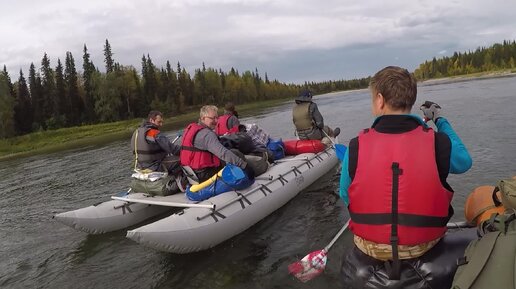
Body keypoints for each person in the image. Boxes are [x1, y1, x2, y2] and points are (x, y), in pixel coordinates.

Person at [339, 66, 473, 288]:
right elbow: (464, 162)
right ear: (411, 99)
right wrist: (439, 119)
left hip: (369, 252)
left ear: (380, 100)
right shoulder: (438, 143)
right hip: (425, 248)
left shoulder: (356, 146)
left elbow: (346, 196)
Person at [180, 105, 255, 183]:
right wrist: (244, 166)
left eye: (217, 117)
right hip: (203, 174)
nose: (216, 121)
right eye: (212, 118)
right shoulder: (206, 134)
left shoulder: (191, 129)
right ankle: (246, 178)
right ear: (203, 118)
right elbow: (223, 153)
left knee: (232, 154)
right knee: (235, 154)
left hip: (191, 174)